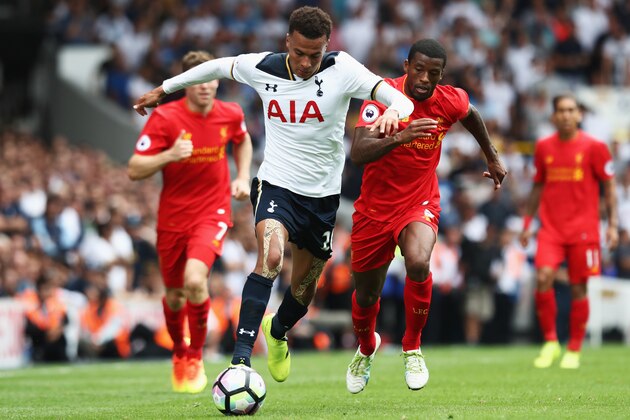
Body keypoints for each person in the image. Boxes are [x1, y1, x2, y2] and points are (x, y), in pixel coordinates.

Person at [133, 6, 414, 383]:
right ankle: (240, 362)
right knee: (271, 257)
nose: (306, 62)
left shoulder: (342, 69)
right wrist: (164, 89)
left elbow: (399, 98)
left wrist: (394, 112)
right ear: (287, 42)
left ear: (326, 47)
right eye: (299, 53)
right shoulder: (261, 67)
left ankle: (277, 331)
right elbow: (216, 66)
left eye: (314, 54)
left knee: (303, 291)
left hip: (322, 197)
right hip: (276, 183)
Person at [345, 39, 507, 393]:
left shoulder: (449, 99)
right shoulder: (382, 96)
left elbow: (471, 115)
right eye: (418, 69)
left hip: (419, 201)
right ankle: (367, 347)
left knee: (418, 261)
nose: (424, 78)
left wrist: (491, 156)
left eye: (433, 73)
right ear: (407, 66)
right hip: (374, 209)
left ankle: (412, 346)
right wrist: (401, 136)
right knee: (366, 295)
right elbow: (358, 153)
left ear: (441, 75)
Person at [127, 50, 253, 393]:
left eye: (212, 79)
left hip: (212, 213)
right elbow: (134, 168)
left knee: (195, 281)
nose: (207, 86)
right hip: (172, 218)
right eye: (198, 80)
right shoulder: (165, 118)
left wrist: (242, 176)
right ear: (186, 84)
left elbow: (242, 141)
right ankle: (180, 352)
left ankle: (196, 354)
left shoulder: (231, 113)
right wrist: (169, 155)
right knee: (174, 294)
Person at [519, 93, 618, 369]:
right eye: (561, 110)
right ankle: (551, 342)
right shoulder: (543, 147)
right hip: (551, 229)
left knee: (578, 288)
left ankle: (574, 347)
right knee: (543, 276)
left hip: (584, 231)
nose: (566, 115)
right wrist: (527, 223)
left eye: (571, 110)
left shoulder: (595, 147)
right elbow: (537, 186)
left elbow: (609, 187)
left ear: (579, 115)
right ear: (553, 116)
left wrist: (611, 224)